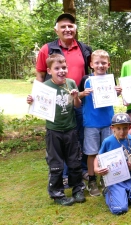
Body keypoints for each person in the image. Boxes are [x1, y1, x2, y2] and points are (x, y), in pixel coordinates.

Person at [35, 13, 92, 184]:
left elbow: (91, 74)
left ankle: (80, 170)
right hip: (56, 103)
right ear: (56, 30)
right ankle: (63, 174)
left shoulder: (85, 49)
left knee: (79, 137)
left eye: (70, 26)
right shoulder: (47, 49)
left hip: (79, 101)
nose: (67, 29)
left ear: (75, 28)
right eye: (63, 26)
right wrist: (38, 100)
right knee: (59, 138)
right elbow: (40, 75)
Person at [27, 54, 85, 206]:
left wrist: (76, 97)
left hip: (71, 130)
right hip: (54, 131)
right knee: (56, 163)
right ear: (49, 70)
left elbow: (77, 106)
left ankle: (77, 189)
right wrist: (31, 100)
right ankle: (57, 194)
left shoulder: (71, 83)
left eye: (64, 68)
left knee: (74, 161)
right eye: (57, 68)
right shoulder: (45, 87)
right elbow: (36, 103)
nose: (61, 71)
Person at [78, 50, 121, 196]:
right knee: (92, 153)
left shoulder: (110, 79)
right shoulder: (86, 80)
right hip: (91, 123)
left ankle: (106, 177)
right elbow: (77, 100)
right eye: (97, 62)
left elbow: (113, 97)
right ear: (91, 64)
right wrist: (82, 94)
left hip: (108, 122)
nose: (100, 65)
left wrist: (118, 92)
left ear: (108, 64)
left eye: (103, 63)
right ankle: (91, 179)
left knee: (107, 152)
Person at [94, 113, 131, 215]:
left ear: (130, 127)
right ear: (112, 128)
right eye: (118, 128)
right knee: (120, 209)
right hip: (115, 180)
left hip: (130, 177)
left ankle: (128, 193)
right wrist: (96, 169)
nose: (122, 131)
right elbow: (98, 157)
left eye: (125, 128)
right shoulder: (108, 141)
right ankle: (110, 192)